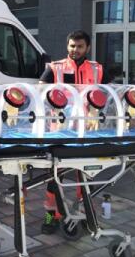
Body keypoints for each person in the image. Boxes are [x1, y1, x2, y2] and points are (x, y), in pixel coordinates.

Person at [39, 30, 109, 234]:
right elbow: (40, 91)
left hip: (87, 131)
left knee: (85, 175)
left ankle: (86, 213)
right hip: (59, 132)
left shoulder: (97, 69)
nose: (75, 50)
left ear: (87, 47)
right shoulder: (55, 68)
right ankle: (51, 214)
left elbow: (109, 93)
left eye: (79, 46)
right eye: (72, 46)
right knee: (54, 176)